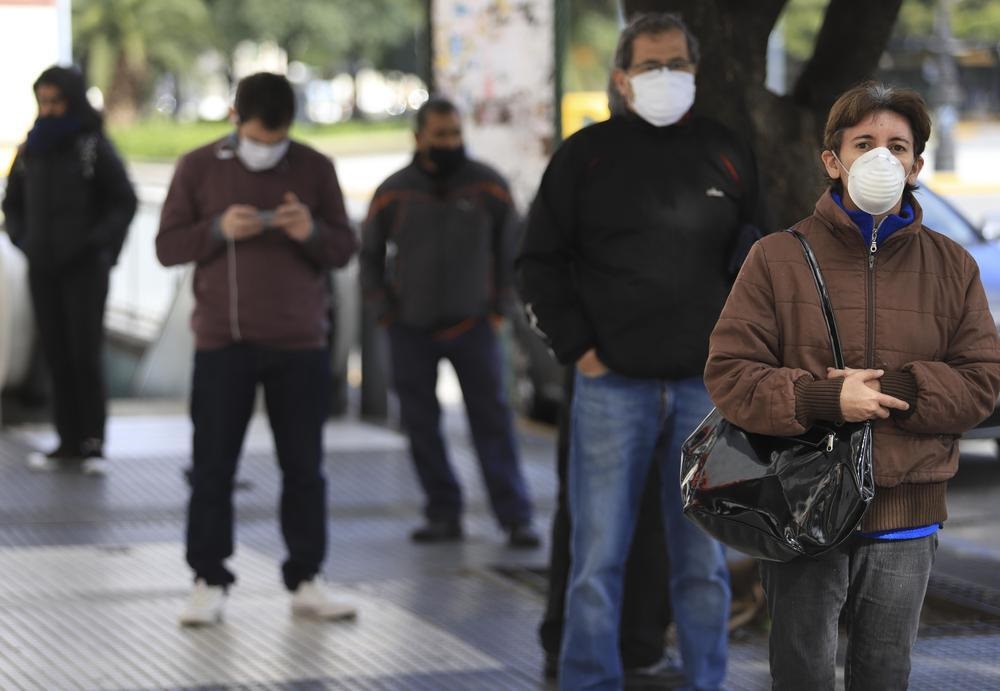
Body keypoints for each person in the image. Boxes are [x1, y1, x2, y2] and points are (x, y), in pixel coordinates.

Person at [704, 82, 1000, 689]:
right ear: (832, 160)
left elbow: (983, 383)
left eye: (897, 145)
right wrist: (823, 399)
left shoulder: (954, 266)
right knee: (802, 672)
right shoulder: (776, 257)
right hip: (800, 503)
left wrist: (897, 390)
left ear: (917, 165)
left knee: (885, 672)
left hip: (906, 508)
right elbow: (730, 376)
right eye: (863, 143)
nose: (881, 158)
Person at [517, 12, 764, 690]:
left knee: (706, 560)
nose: (666, 77)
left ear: (696, 70)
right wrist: (580, 350)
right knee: (597, 557)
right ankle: (588, 679)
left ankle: (708, 679)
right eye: (651, 66)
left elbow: (759, 257)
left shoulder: (726, 149)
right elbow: (536, 263)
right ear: (623, 77)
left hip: (706, 392)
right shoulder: (584, 156)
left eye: (677, 64)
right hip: (610, 384)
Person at [156, 72, 359, 626]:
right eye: (257, 138)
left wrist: (309, 231)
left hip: (300, 343)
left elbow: (343, 248)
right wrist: (218, 229)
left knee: (305, 467)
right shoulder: (198, 167)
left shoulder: (315, 167)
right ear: (233, 118)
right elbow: (167, 246)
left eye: (277, 141)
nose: (267, 150)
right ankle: (208, 579)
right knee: (212, 466)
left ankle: (307, 578)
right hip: (224, 342)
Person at [360, 97, 540, 548]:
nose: (449, 142)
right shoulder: (393, 190)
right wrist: (384, 309)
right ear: (418, 137)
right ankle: (443, 511)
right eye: (440, 135)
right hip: (410, 328)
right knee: (420, 424)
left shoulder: (489, 187)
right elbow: (368, 254)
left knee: (493, 422)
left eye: (456, 134)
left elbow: (512, 252)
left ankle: (515, 517)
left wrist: (499, 307)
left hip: (474, 326)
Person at [2, 66, 137, 475]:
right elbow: (13, 203)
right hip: (43, 267)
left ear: (72, 100)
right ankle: (66, 441)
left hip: (84, 270)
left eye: (57, 101)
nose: (50, 109)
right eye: (43, 102)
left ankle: (92, 442)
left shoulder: (92, 146)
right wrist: (26, 241)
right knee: (55, 352)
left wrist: (97, 245)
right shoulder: (33, 149)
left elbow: (123, 200)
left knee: (84, 352)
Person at [538, 369, 677, 683]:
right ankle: (630, 649)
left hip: (612, 363)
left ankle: (573, 645)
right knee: (619, 515)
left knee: (588, 513)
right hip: (613, 367)